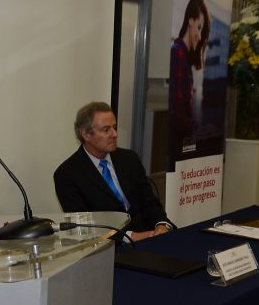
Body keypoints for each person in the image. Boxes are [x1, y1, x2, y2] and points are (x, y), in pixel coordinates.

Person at [54, 102, 173, 241]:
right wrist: (130, 237)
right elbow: (85, 228)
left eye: (114, 128)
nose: (115, 134)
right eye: (106, 130)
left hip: (151, 234)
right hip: (111, 247)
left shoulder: (129, 159)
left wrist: (161, 225)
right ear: (85, 134)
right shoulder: (67, 175)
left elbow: (149, 202)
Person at [168, 0, 210, 166]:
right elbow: (176, 112)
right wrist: (198, 128)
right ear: (190, 21)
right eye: (199, 28)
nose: (200, 36)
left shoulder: (183, 56)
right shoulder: (177, 54)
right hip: (176, 147)